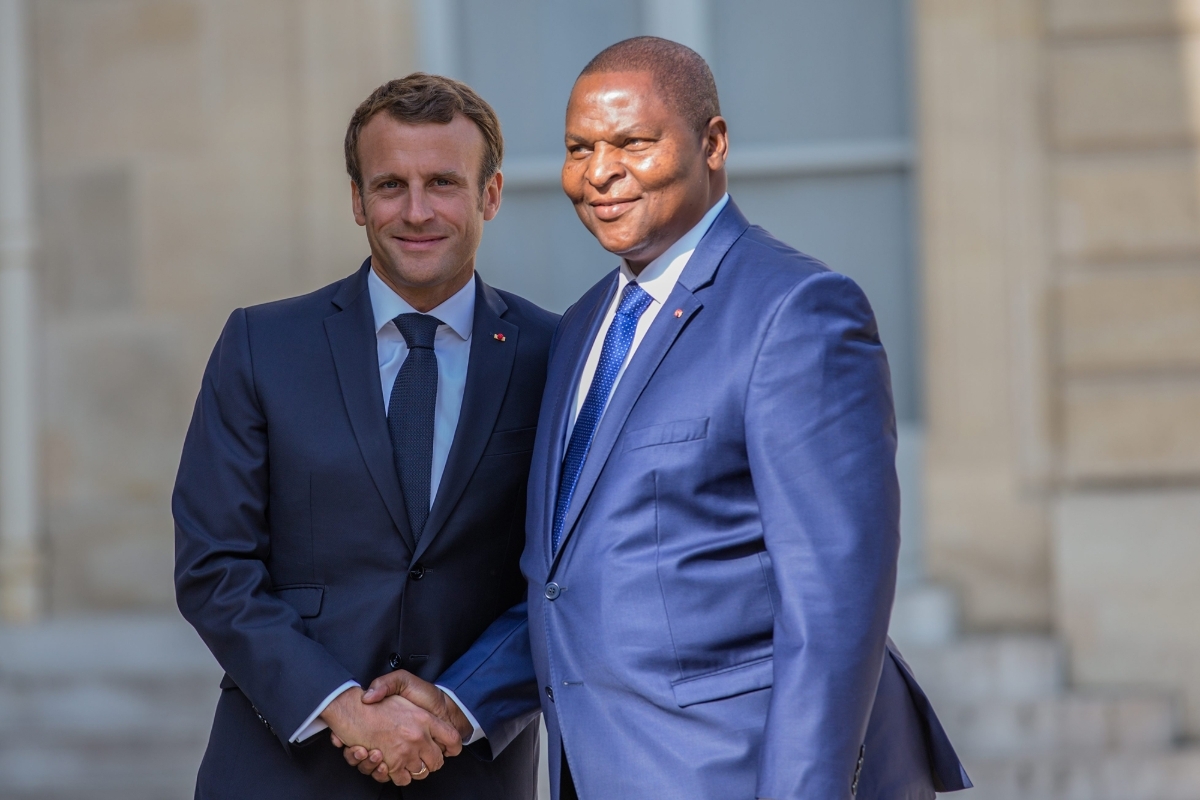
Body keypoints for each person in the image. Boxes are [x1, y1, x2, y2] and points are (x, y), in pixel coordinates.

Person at [347, 37, 971, 800]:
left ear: (713, 145)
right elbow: (565, 587)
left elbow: (834, 610)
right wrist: (456, 700)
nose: (599, 172)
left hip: (734, 775)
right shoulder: (580, 327)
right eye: (580, 148)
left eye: (632, 143)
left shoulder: (797, 311)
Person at [173, 73, 556, 798]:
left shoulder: (556, 356)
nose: (416, 211)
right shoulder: (261, 345)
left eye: (443, 182)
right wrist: (343, 709)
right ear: (357, 199)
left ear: (491, 195)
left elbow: (566, 579)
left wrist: (457, 706)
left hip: (469, 764)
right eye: (390, 186)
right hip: (282, 768)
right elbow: (214, 566)